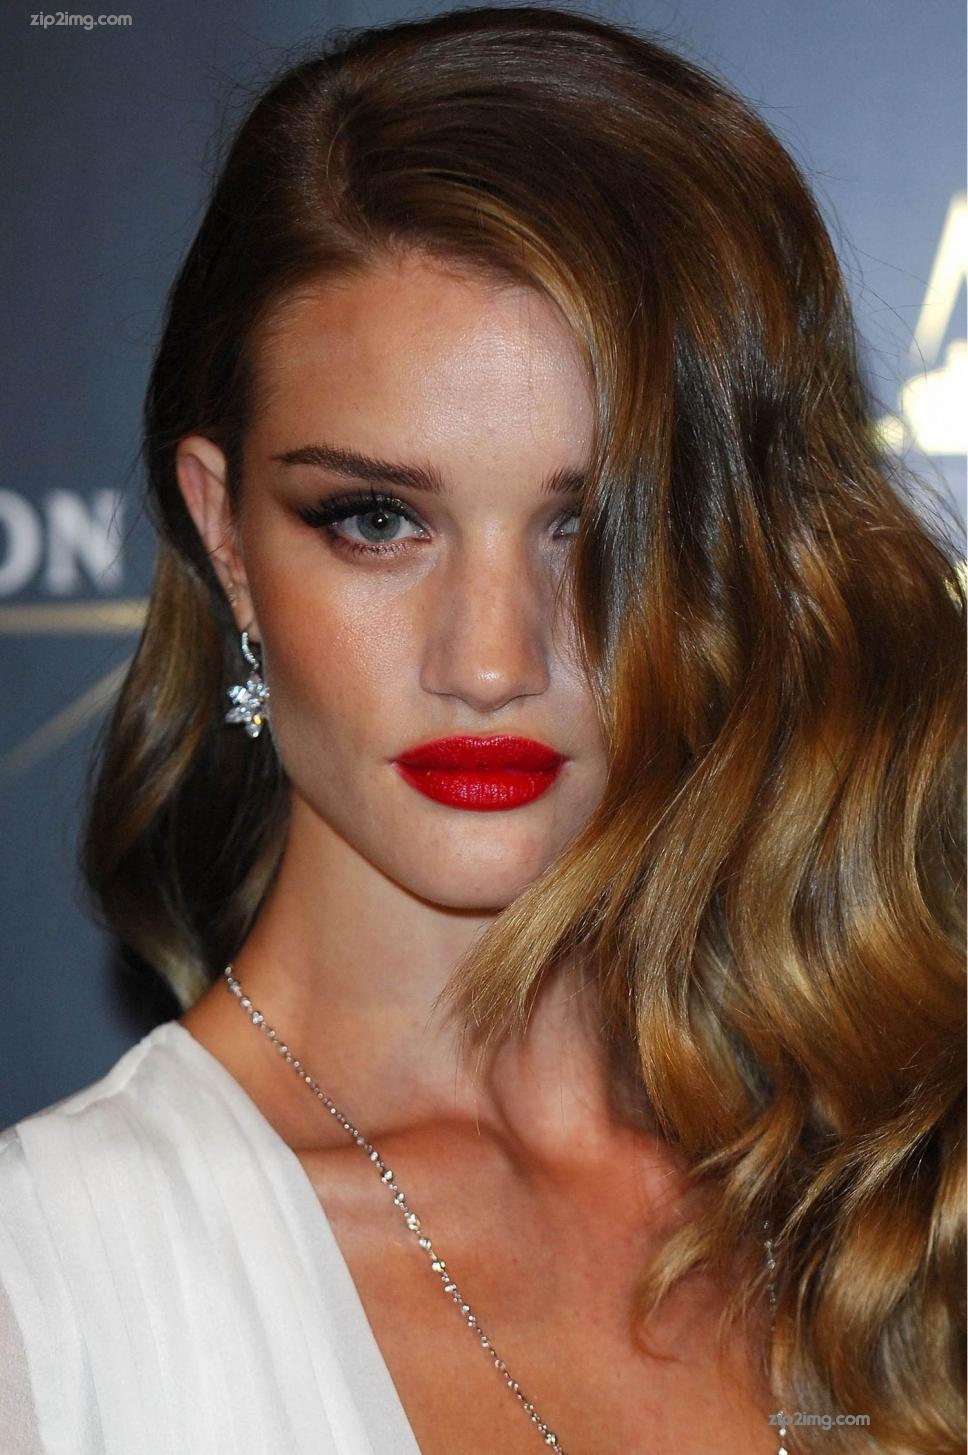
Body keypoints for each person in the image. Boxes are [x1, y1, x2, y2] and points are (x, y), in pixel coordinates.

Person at [1, 6, 963, 1453]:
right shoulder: (52, 1291)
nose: (494, 660)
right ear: (227, 537)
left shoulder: (903, 1199)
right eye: (377, 519)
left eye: (595, 527)